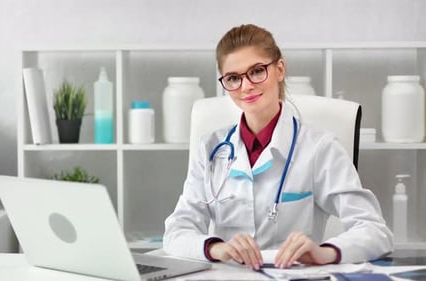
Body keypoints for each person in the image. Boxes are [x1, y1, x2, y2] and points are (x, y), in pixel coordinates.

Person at [163, 24, 393, 270]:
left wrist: (323, 252)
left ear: (280, 69)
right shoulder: (211, 149)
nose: (246, 86)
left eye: (257, 71)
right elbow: (176, 233)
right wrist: (217, 248)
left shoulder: (319, 148)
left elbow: (376, 232)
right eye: (233, 78)